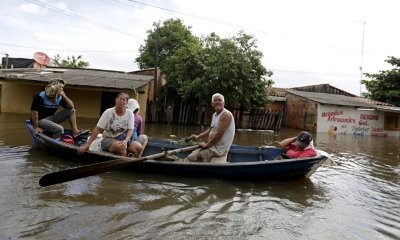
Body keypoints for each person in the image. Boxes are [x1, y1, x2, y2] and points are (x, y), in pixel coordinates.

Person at [78, 93, 136, 157]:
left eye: (124, 100)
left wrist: (126, 140)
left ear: (127, 103)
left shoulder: (130, 113)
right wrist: (87, 144)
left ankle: (136, 164)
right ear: (116, 100)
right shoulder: (108, 112)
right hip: (108, 139)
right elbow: (98, 129)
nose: (122, 101)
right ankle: (123, 165)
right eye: (120, 99)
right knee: (121, 147)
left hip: (122, 138)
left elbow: (130, 129)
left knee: (138, 147)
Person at [182, 93, 235, 162]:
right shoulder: (215, 115)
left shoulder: (225, 115)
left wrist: (206, 145)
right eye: (215, 100)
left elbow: (219, 135)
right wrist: (198, 136)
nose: (218, 102)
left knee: (191, 157)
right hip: (213, 146)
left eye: (220, 100)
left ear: (223, 103)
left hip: (218, 149)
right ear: (212, 104)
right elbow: (210, 129)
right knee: (193, 154)